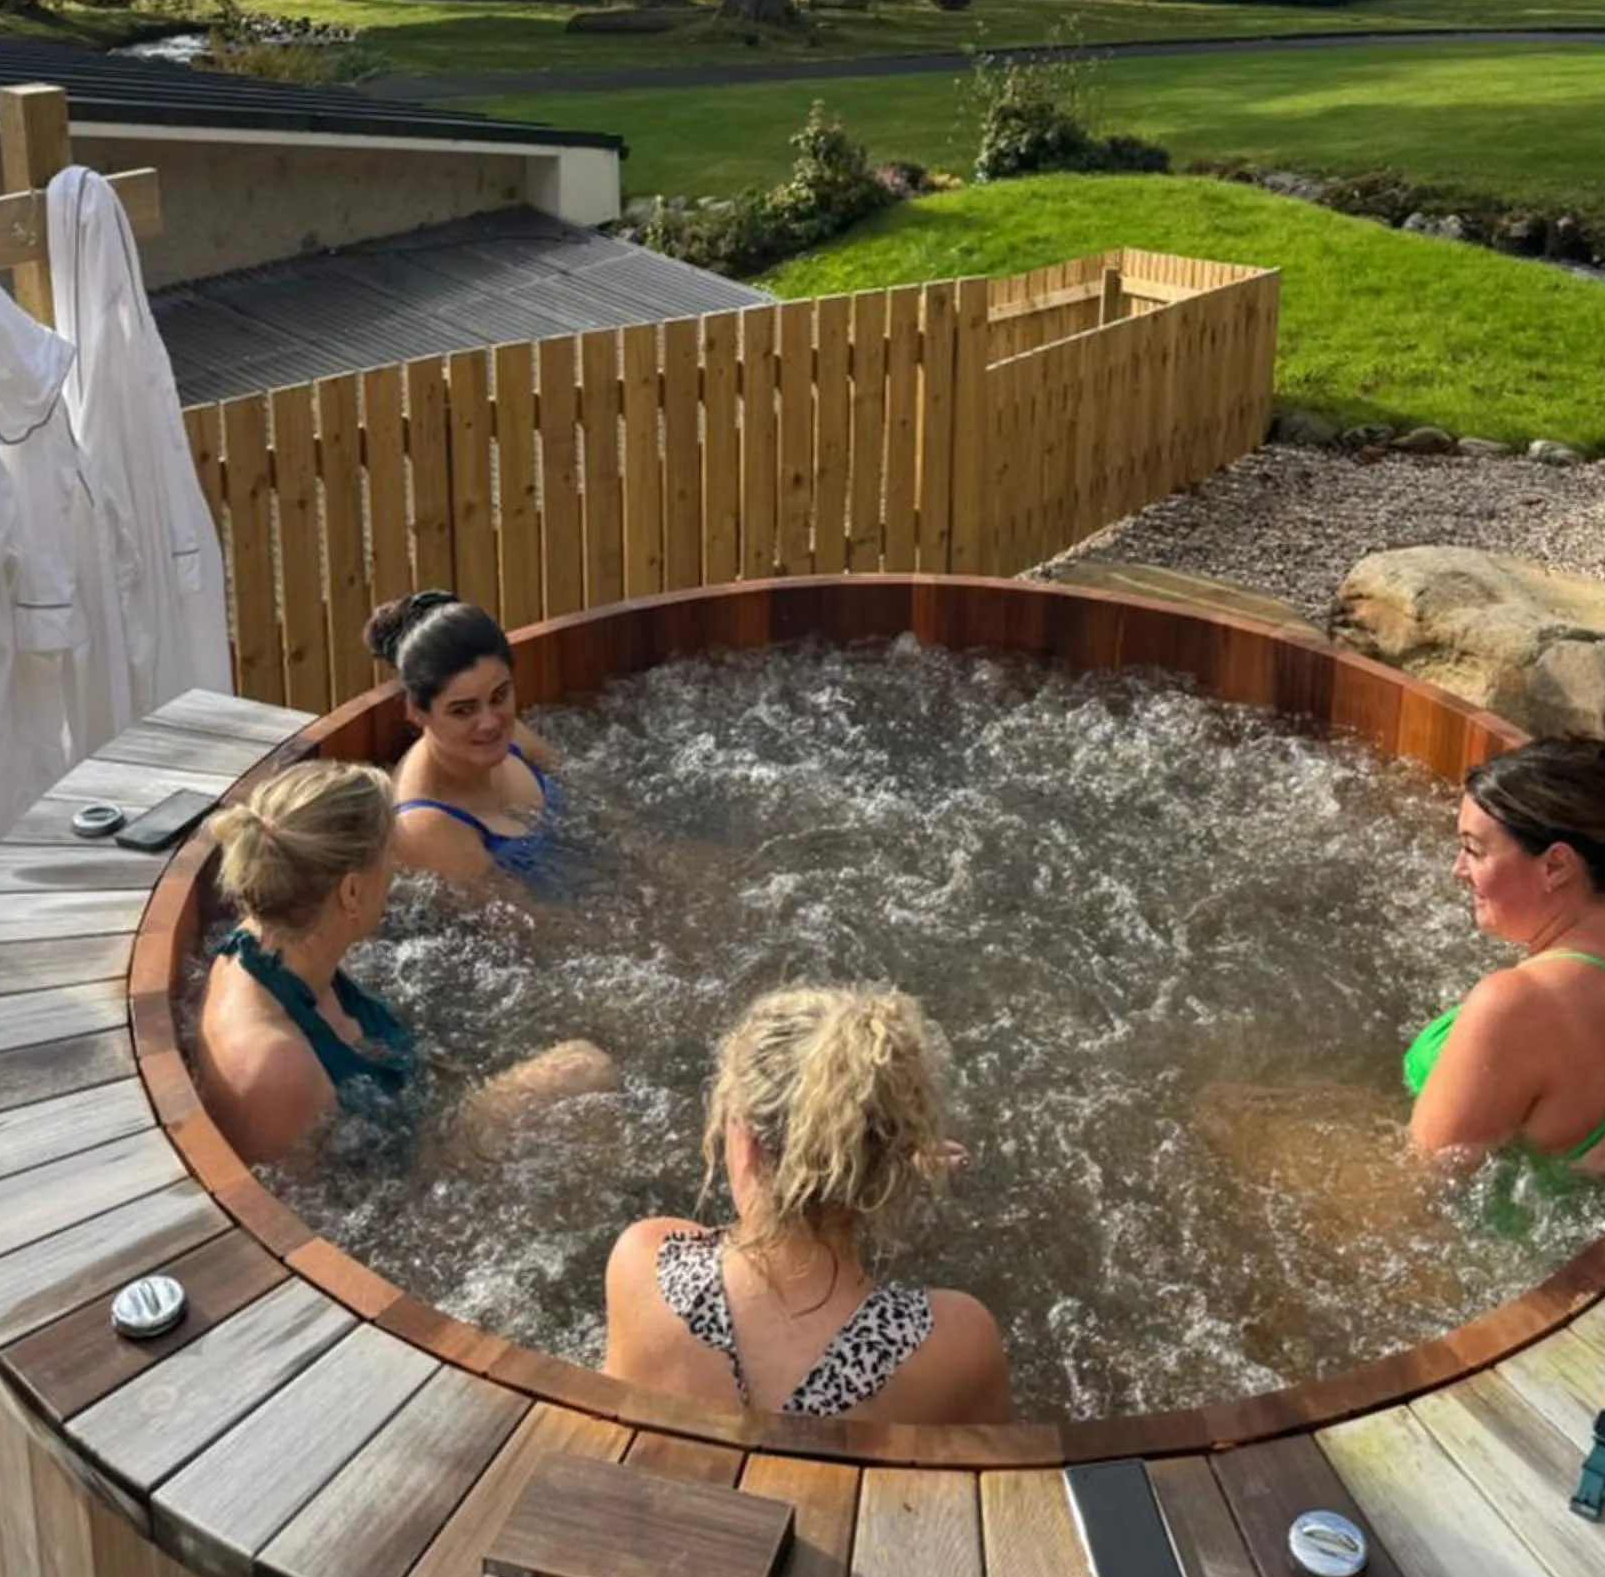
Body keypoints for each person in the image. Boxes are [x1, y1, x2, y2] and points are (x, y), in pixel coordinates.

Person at [603, 984, 1012, 1425]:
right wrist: (884, 1165)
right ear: (883, 1164)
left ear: (746, 1142)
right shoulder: (956, 1342)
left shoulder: (642, 1262)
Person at [194, 759, 614, 1166]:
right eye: (387, 858)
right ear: (352, 892)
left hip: (394, 1121)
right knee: (582, 1068)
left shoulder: (275, 923)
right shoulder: (274, 1069)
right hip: (411, 1167)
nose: (395, 871)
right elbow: (298, 1219)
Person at [1405, 740, 1605, 1174]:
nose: (1457, 869)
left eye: (1474, 850)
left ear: (1557, 866)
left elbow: (1422, 1180)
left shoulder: (1514, 1005)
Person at [367, 590, 566, 897]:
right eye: (463, 710)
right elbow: (535, 929)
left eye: (499, 696)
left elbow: (599, 804)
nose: (489, 722)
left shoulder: (510, 735)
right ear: (417, 712)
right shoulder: (426, 827)